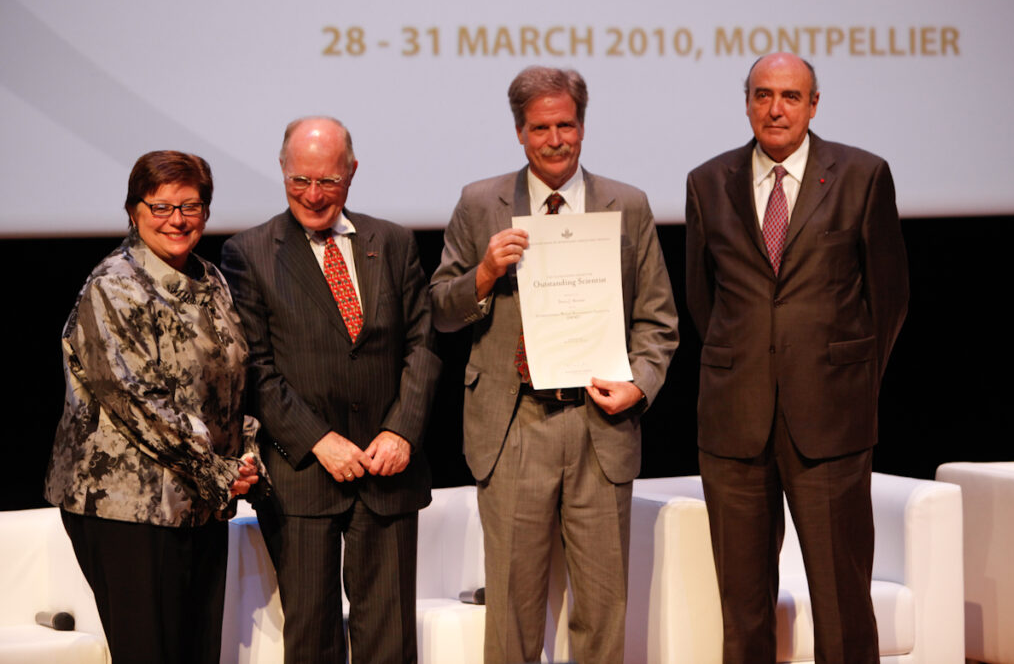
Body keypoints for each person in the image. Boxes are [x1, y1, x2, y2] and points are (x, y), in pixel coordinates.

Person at [430, 66, 679, 664]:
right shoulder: (479, 203)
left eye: (566, 124)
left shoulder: (629, 204)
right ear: (520, 132)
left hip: (599, 423)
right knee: (512, 612)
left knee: (601, 608)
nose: (555, 139)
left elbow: (659, 321)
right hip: (514, 423)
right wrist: (484, 274)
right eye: (541, 127)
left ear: (583, 127)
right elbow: (440, 309)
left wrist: (638, 386)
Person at [684, 52, 910, 662]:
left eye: (790, 96)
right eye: (762, 94)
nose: (775, 108)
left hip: (831, 421)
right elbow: (704, 303)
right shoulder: (708, 182)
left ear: (813, 104)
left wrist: (845, 381)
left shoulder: (862, 175)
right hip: (735, 424)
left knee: (841, 606)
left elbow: (888, 299)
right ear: (748, 102)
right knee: (743, 610)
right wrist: (751, 365)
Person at [220, 116, 441, 664]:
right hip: (303, 477)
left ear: (352, 173)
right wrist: (320, 440)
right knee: (313, 640)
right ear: (282, 171)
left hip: (388, 471)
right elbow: (257, 369)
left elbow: (423, 345)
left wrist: (401, 430)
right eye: (300, 181)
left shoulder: (392, 241)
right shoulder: (249, 253)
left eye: (328, 182)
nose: (314, 195)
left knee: (389, 642)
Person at [44, 150, 262, 664]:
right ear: (133, 210)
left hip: (197, 502)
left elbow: (231, 381)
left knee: (198, 651)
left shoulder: (212, 279)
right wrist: (217, 470)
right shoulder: (114, 285)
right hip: (129, 507)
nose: (177, 220)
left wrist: (244, 453)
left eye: (190, 206)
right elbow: (136, 400)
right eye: (161, 206)